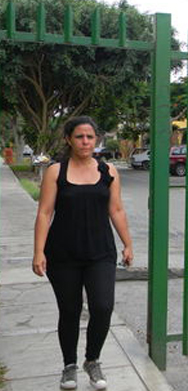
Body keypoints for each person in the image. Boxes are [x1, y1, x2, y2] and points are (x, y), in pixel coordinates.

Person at [32, 116, 133, 390]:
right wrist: (38, 251)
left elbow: (116, 210)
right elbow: (44, 213)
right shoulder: (56, 171)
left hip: (100, 252)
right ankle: (69, 366)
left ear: (96, 139)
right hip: (63, 254)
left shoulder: (109, 171)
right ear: (69, 139)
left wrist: (127, 243)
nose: (85, 142)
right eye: (79, 137)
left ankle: (92, 359)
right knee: (70, 310)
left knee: (103, 307)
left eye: (90, 137)